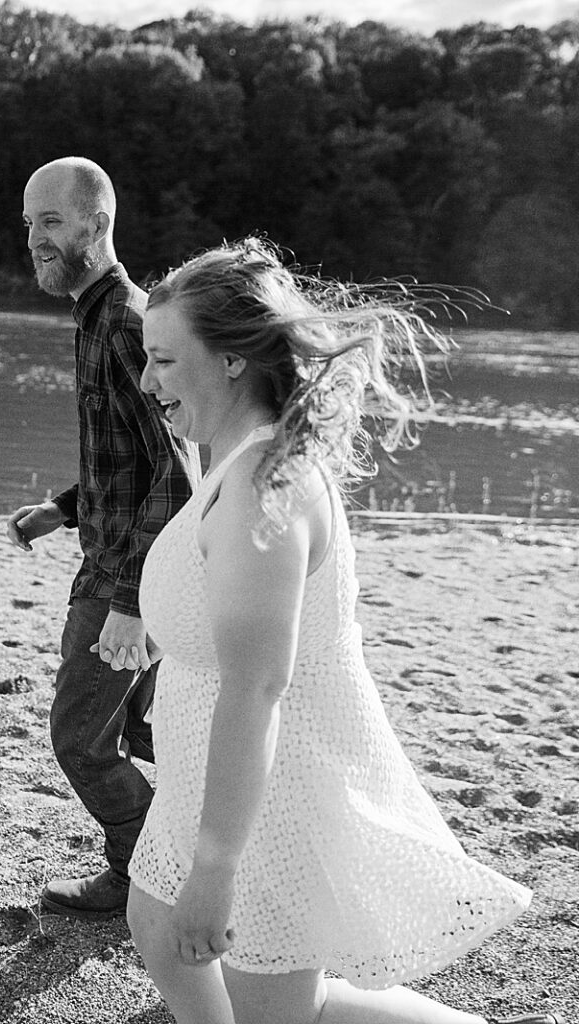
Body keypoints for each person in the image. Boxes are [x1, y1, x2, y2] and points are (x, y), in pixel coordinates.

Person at [125, 237, 560, 1024]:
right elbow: (214, 598)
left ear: (230, 360)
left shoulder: (264, 486)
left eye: (163, 359)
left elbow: (258, 685)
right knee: (158, 926)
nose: (147, 379)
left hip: (270, 787)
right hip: (202, 770)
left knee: (280, 1006)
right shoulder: (227, 454)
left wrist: (218, 865)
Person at [7, 157, 200, 919]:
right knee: (144, 732)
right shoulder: (97, 315)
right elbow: (127, 462)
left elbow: (177, 474)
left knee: (83, 738)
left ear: (97, 223)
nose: (35, 239)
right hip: (119, 561)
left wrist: (132, 602)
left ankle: (147, 877)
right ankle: (192, 856)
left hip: (129, 578)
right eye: (29, 225)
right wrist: (62, 507)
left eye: (51, 222)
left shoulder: (127, 323)